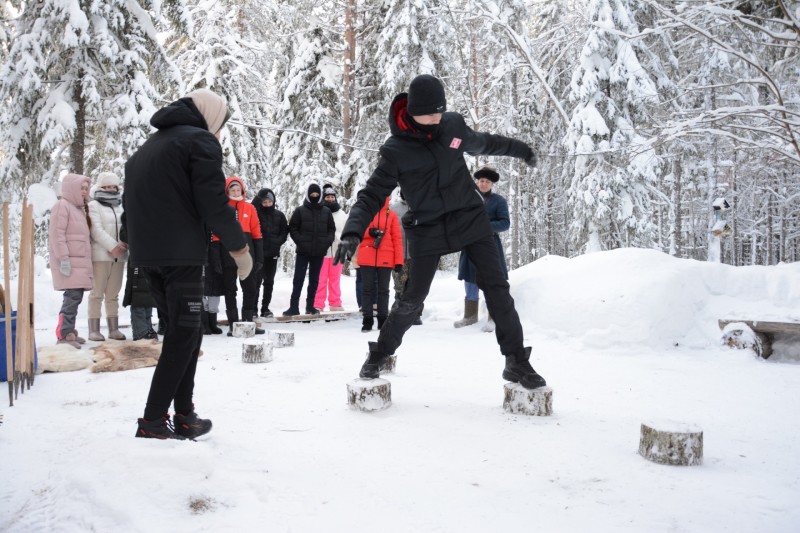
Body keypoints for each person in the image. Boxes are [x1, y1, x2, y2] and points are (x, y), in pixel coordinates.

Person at [334, 74, 546, 390]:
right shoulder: (395, 150)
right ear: (412, 111)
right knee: (411, 299)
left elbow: (486, 142)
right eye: (429, 113)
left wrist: (520, 149)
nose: (436, 118)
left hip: (470, 218)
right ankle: (381, 353)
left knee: (498, 286)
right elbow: (372, 193)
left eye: (440, 111)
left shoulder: (451, 128)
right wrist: (352, 231)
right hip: (428, 227)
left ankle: (516, 360)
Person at [124, 88, 252, 440]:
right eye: (221, 124)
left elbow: (131, 205)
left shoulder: (146, 150)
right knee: (183, 337)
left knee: (187, 334)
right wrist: (239, 249)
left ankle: (184, 415)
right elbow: (213, 201)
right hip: (180, 259)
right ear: (210, 116)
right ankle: (152, 420)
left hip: (149, 258)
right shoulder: (199, 142)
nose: (220, 132)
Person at [454, 166, 509, 332]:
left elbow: (505, 223)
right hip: (470, 245)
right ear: (477, 182)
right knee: (470, 279)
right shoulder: (467, 199)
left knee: (491, 281)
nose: (484, 184)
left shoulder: (499, 201)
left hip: (490, 246)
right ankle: (470, 316)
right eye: (481, 181)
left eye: (487, 181)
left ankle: (494, 318)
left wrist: (484, 227)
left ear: (492, 184)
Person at [215, 176, 264, 335]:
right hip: (227, 253)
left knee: (250, 288)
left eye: (238, 190)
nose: (235, 192)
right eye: (232, 189)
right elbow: (216, 235)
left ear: (242, 191)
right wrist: (216, 257)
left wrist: (260, 257)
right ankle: (233, 324)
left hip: (247, 255)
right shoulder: (221, 208)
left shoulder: (250, 208)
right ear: (227, 191)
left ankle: (248, 323)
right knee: (230, 289)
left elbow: (257, 234)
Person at [49, 173, 93, 349]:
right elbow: (57, 234)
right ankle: (62, 334)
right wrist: (63, 258)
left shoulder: (78, 209)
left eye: (86, 188)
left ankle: (69, 331)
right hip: (70, 262)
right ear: (71, 188)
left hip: (79, 263)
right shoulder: (62, 206)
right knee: (71, 298)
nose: (84, 192)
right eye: (81, 188)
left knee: (76, 297)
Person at [87, 172, 128, 341]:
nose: (111, 189)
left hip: (120, 256)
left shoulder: (121, 206)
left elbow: (127, 226)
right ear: (100, 187)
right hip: (101, 255)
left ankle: (113, 328)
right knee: (97, 293)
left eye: (113, 186)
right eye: (107, 186)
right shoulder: (93, 206)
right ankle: (94, 330)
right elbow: (95, 230)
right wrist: (112, 246)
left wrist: (124, 244)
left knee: (113, 294)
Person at [283, 184, 335, 316]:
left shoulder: (326, 211)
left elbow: (331, 230)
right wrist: (301, 242)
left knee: (314, 280)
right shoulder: (300, 210)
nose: (314, 197)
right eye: (312, 194)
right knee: (298, 279)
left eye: (317, 195)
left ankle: (310, 306)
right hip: (303, 251)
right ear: (308, 195)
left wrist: (326, 243)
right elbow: (293, 228)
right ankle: (293, 307)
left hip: (319, 252)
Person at [357, 198, 403, 332]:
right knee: (367, 289)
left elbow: (397, 238)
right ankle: (367, 320)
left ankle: (383, 319)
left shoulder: (391, 214)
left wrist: (398, 260)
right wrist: (369, 232)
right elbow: (357, 230)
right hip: (367, 255)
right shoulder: (365, 212)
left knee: (384, 290)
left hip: (386, 257)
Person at [251, 187, 289, 318]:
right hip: (258, 255)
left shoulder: (279, 215)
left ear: (273, 202)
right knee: (256, 282)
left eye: (269, 202)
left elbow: (285, 232)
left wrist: (276, 242)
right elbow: (251, 207)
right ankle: (253, 309)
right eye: (264, 202)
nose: (267, 204)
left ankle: (265, 308)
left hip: (272, 254)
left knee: (269, 282)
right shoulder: (255, 213)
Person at [388, 190, 422, 325]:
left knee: (417, 285)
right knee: (399, 284)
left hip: (418, 254)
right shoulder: (393, 209)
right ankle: (398, 312)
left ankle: (416, 314)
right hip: (398, 255)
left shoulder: (422, 208)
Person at [313, 184, 349, 312]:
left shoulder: (342, 214)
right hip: (322, 252)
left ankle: (335, 303)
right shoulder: (319, 212)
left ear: (335, 198)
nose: (330, 199)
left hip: (337, 252)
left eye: (332, 197)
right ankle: (318, 303)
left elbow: (347, 231)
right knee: (321, 279)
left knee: (335, 280)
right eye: (327, 197)